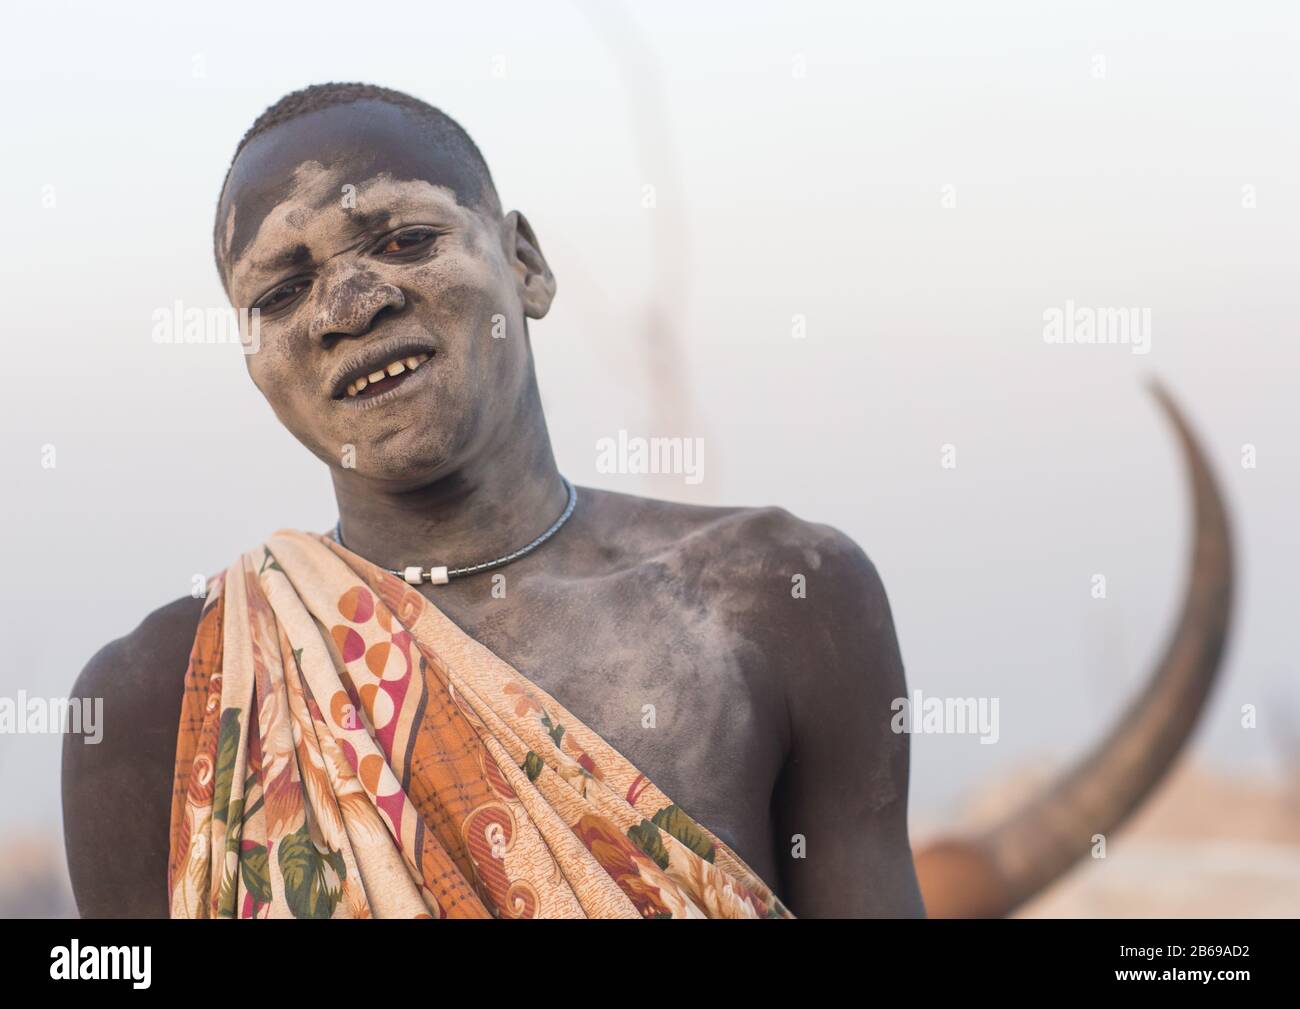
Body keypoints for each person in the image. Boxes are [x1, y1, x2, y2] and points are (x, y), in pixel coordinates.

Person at [61, 83, 924, 918]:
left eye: (402, 240)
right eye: (281, 292)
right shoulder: (163, 702)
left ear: (527, 266)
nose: (349, 306)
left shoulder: (777, 602)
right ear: (253, 360)